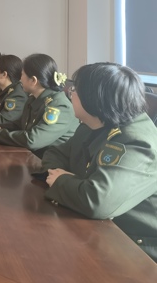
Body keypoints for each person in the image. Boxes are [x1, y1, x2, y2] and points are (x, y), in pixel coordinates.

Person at [42, 62, 157, 262]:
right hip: (95, 228)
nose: (70, 93)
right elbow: (55, 154)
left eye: (75, 90)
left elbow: (97, 201)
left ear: (94, 99)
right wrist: (70, 181)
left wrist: (63, 181)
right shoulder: (94, 124)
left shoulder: (138, 143)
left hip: (133, 249)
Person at [0, 53, 79, 158]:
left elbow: (32, 140)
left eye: (22, 75)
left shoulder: (59, 106)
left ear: (33, 80)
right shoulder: (34, 98)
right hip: (34, 158)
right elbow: (20, 123)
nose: (20, 79)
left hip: (51, 164)